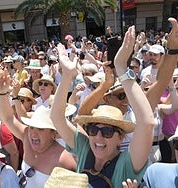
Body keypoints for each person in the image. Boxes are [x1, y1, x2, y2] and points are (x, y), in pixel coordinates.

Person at [51, 26, 154, 188]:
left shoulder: (126, 165)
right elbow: (57, 118)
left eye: (107, 131)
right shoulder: (86, 149)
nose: (98, 137)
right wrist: (66, 75)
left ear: (120, 138)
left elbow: (147, 123)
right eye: (92, 130)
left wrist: (121, 68)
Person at [0, 71, 77, 187]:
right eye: (32, 127)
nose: (33, 133)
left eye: (41, 129)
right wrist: (2, 93)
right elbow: (8, 119)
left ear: (54, 134)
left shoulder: (64, 160)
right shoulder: (27, 137)